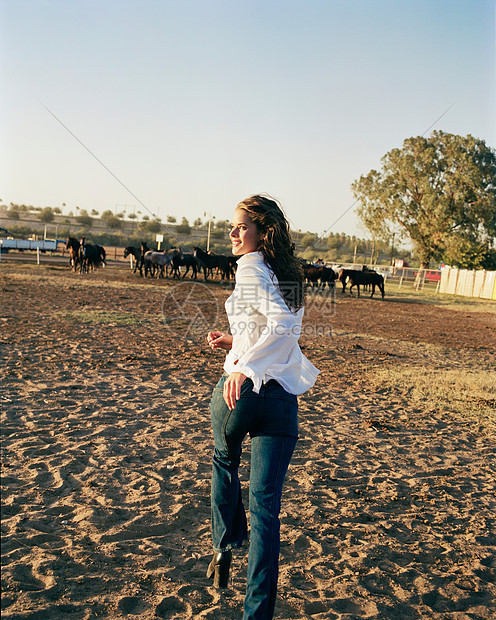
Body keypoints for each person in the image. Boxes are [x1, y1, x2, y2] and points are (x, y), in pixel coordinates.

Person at [206, 195, 320, 619]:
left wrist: (243, 365)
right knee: (266, 508)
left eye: (240, 227)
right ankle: (257, 613)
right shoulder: (285, 274)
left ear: (261, 231)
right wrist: (235, 341)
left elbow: (282, 326)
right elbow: (280, 330)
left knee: (223, 459)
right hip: (280, 402)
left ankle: (223, 545)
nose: (233, 234)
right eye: (231, 227)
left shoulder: (250, 267)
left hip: (243, 392)